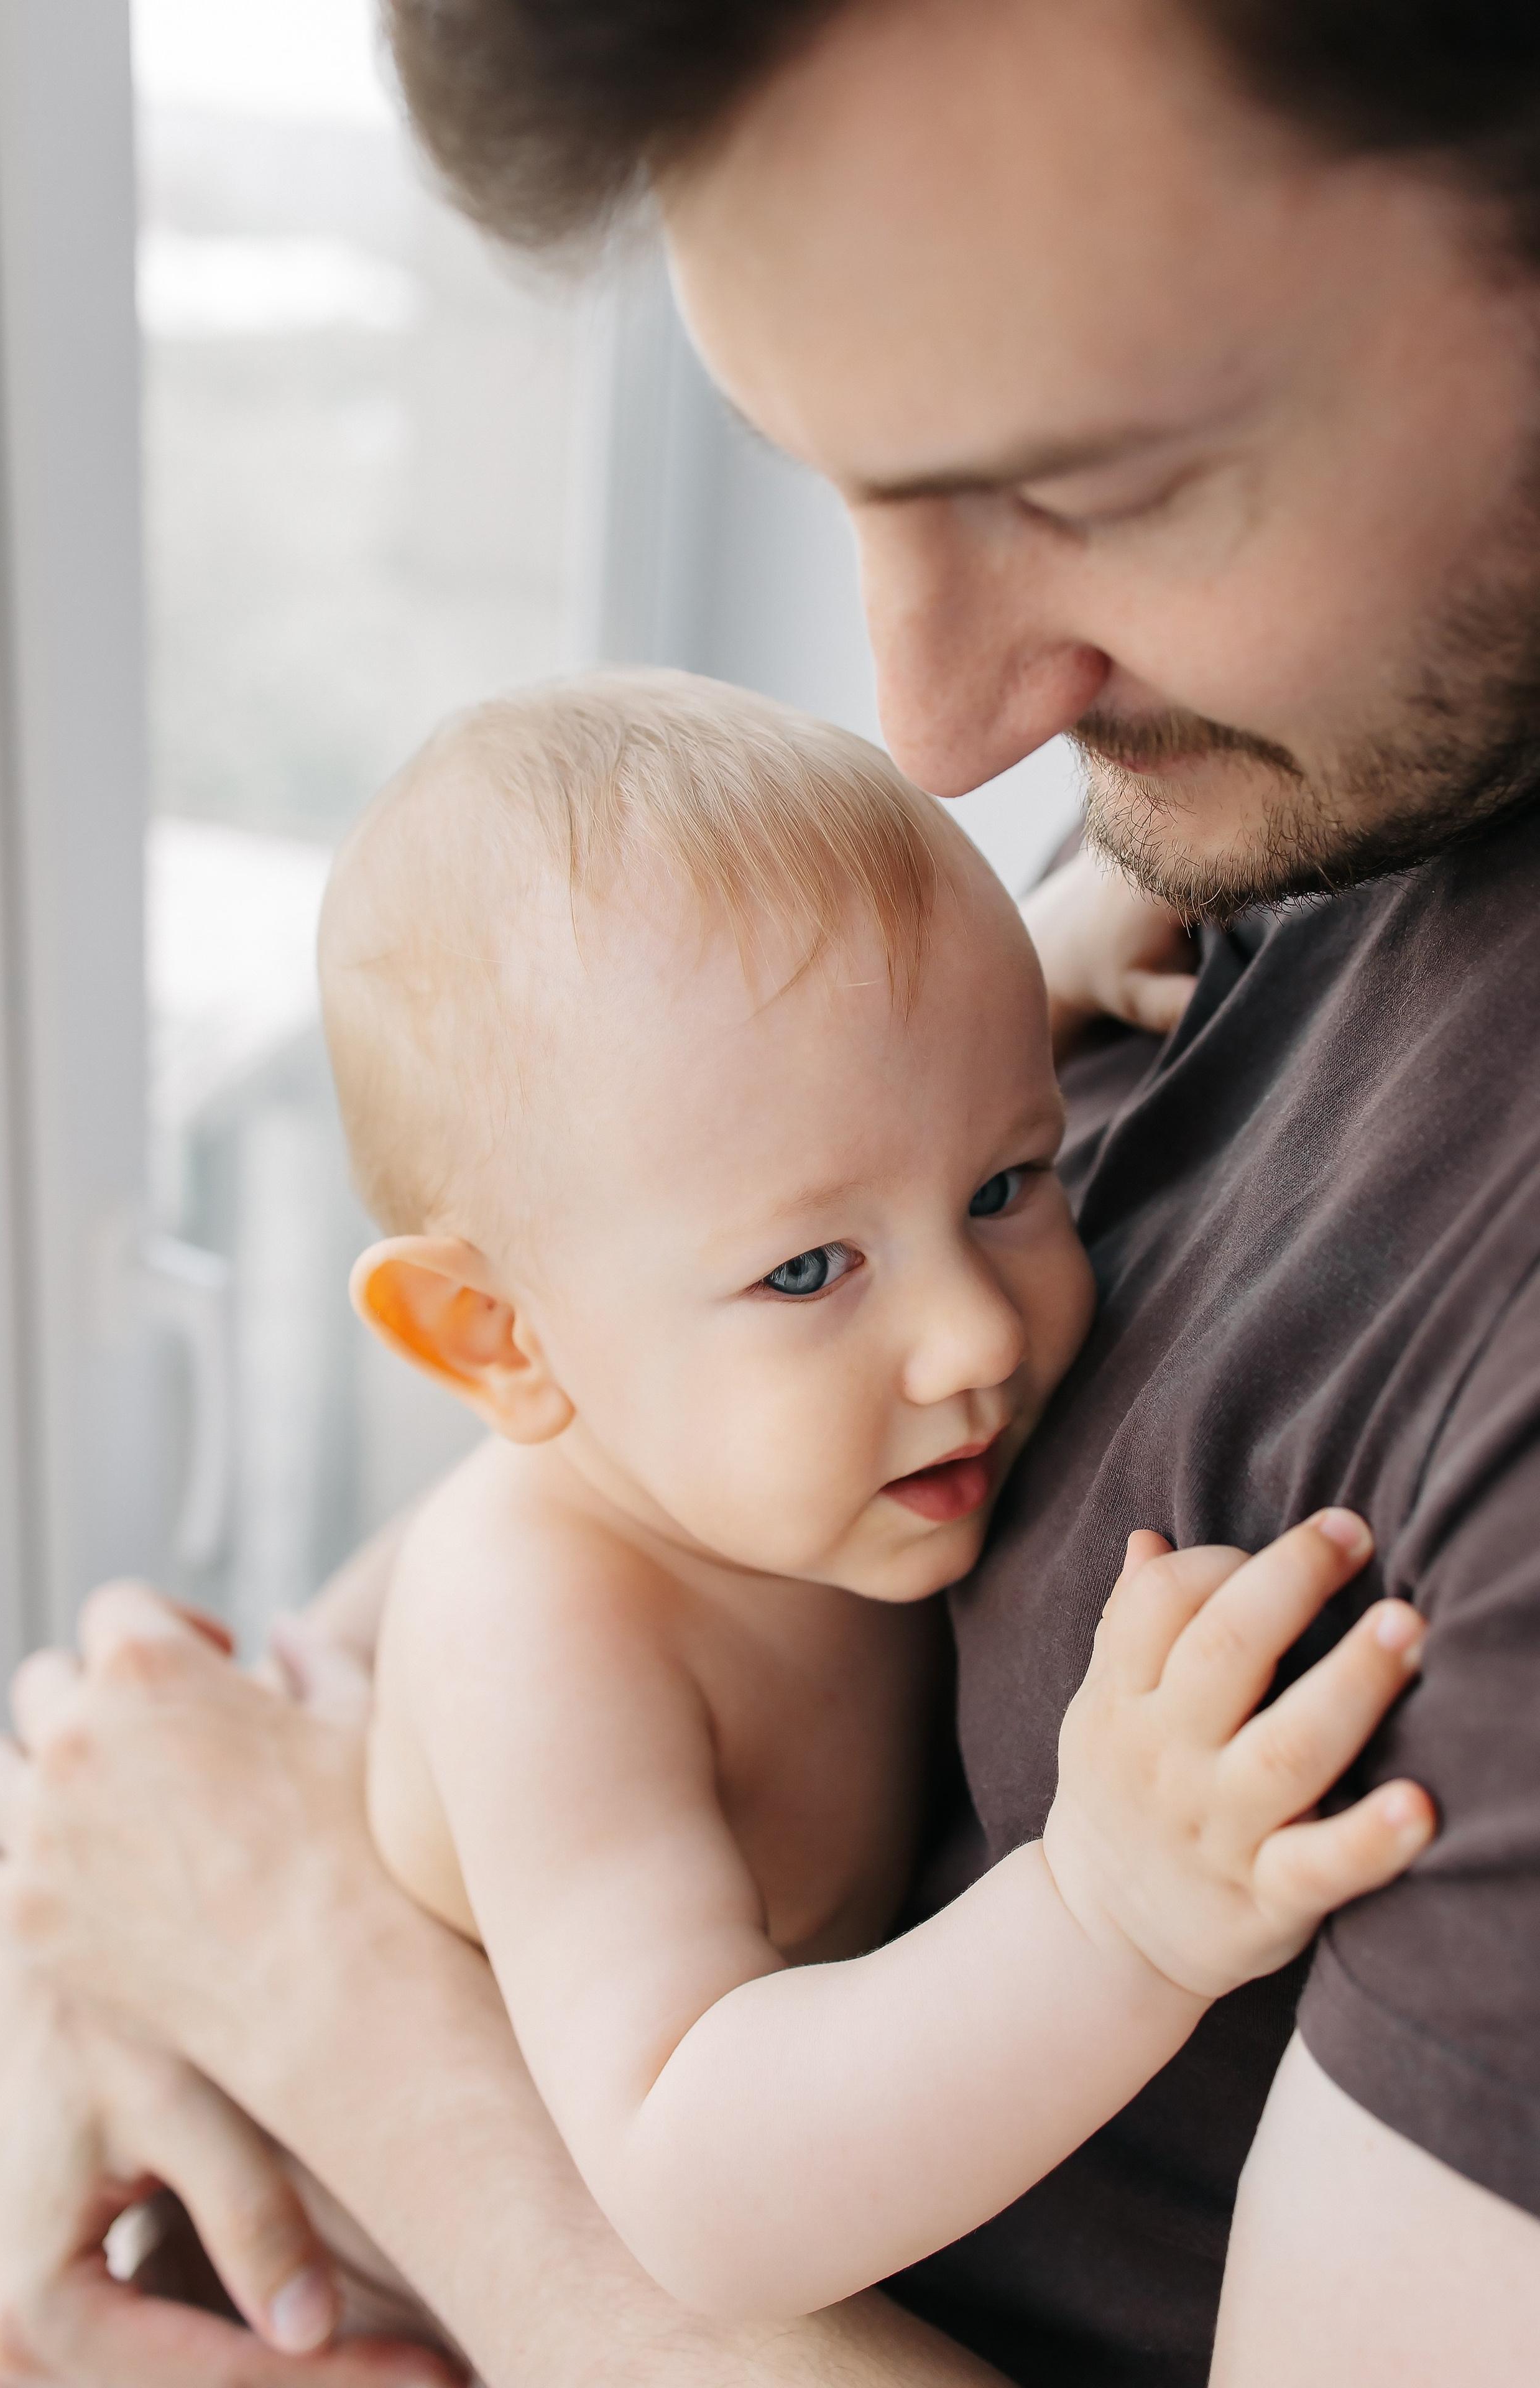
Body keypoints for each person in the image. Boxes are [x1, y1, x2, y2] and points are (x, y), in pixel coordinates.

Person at [0, 2, 1540, 2382]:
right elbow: (682, 2120)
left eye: (1091, 483)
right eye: (838, 483)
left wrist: (280, 1944)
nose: (949, 722)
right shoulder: (1261, 796)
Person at [316, 669, 1426, 2320]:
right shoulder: (537, 1623)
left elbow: (849, 1109)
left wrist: (1035, 972)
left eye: (1002, 1184)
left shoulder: (773, 1363)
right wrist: (1110, 1914)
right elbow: (700, 2188)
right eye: (811, 1269)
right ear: (500, 1338)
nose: (972, 1331)